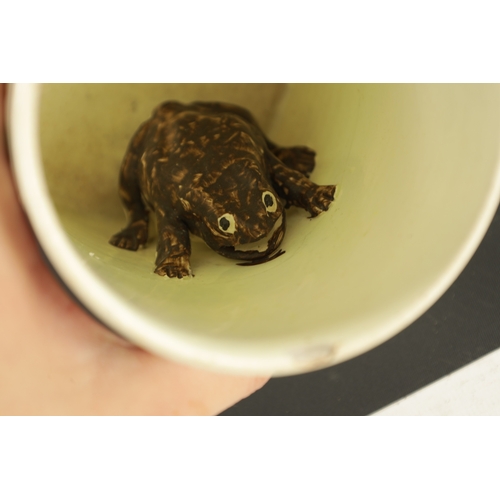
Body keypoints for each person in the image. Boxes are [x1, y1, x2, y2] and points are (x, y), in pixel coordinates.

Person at [0, 84, 268, 415]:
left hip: (225, 139)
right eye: (224, 223)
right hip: (168, 169)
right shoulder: (175, 189)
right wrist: (171, 255)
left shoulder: (241, 147)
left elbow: (261, 158)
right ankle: (137, 221)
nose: (257, 231)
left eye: (268, 201)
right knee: (159, 204)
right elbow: (170, 220)